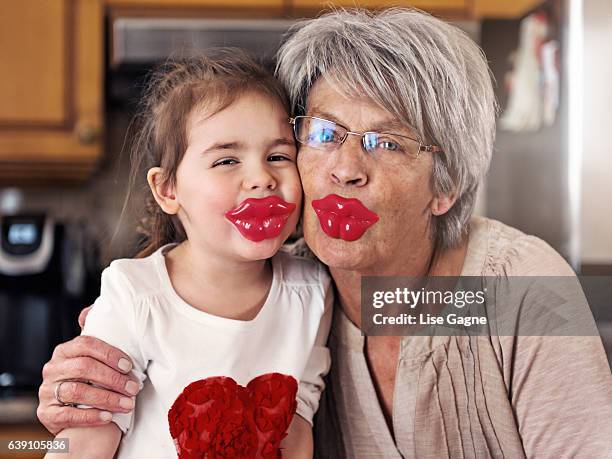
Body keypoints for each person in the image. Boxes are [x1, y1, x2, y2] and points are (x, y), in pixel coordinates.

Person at [38, 8, 612, 458]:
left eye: (387, 142)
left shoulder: (518, 292)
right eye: (324, 134)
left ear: (447, 187)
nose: (345, 167)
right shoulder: (288, 286)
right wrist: (84, 391)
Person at [44, 50, 332, 459]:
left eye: (278, 157)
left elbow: (297, 425)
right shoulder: (133, 295)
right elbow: (84, 440)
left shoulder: (312, 292)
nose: (262, 178)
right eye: (227, 160)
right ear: (168, 189)